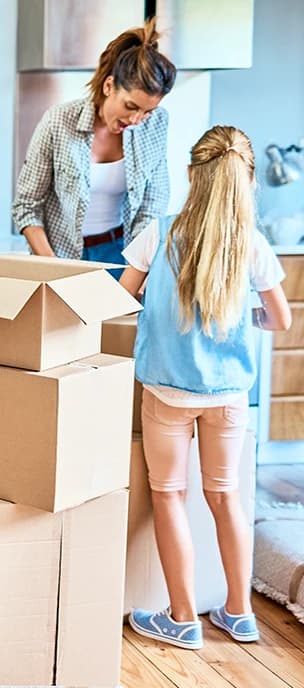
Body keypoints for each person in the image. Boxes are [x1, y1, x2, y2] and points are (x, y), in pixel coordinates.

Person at [120, 125, 292, 649]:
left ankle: (182, 618)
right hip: (228, 396)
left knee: (169, 495)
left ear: (192, 174)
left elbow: (122, 302)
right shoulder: (251, 244)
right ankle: (240, 613)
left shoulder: (159, 233)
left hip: (167, 393)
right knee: (225, 496)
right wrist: (244, 317)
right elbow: (280, 319)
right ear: (248, 181)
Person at [12, 18, 177, 269]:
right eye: (130, 106)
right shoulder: (59, 121)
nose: (136, 120)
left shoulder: (156, 124)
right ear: (109, 86)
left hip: (122, 252)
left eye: (147, 112)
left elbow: (152, 204)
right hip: (60, 254)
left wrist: (138, 266)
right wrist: (52, 266)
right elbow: (26, 206)